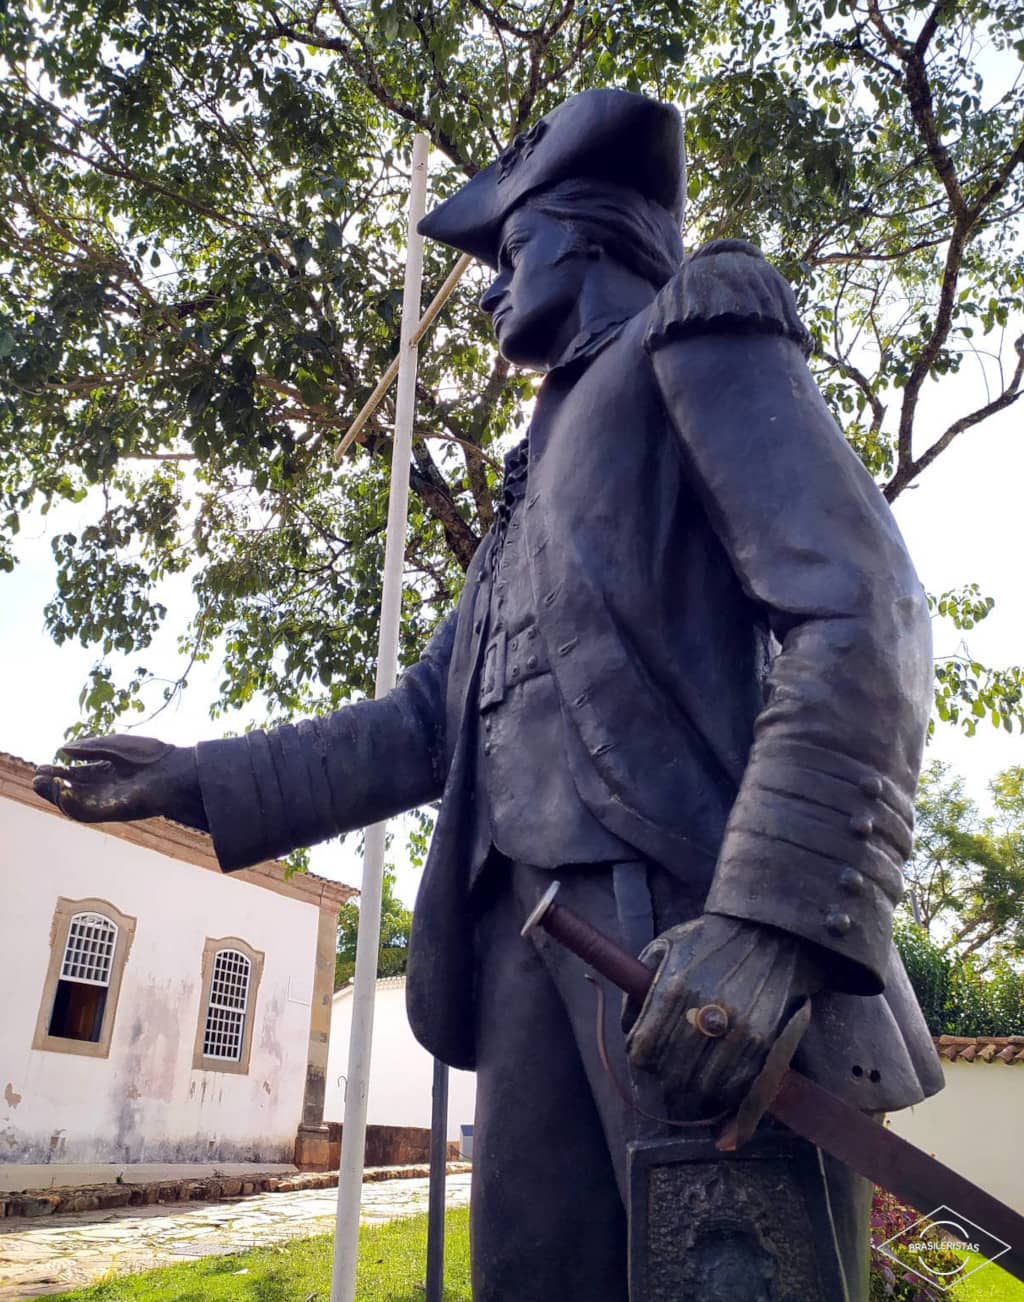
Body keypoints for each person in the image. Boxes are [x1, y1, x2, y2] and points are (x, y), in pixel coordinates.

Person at [35, 90, 944, 1300]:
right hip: (521, 941)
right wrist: (201, 780)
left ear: (586, 234)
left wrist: (768, 927)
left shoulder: (697, 325)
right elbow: (424, 722)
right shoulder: (525, 487)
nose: (491, 291)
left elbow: (860, 609)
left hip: (682, 938)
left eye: (510, 252)